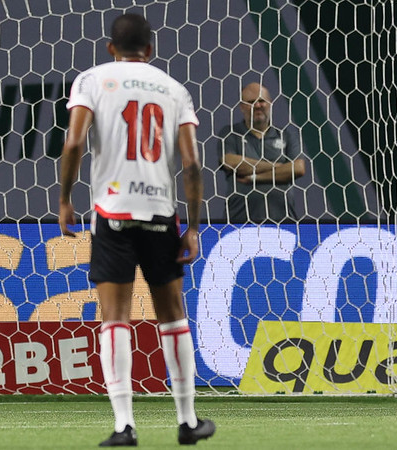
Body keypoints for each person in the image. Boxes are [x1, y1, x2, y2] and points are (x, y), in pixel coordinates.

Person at [58, 13, 216, 447]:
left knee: (115, 319)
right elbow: (191, 164)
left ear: (112, 47)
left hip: (112, 211)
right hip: (160, 213)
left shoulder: (92, 80)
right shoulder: (173, 89)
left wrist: (65, 199)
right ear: (150, 50)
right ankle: (187, 420)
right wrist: (193, 227)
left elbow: (73, 142)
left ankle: (124, 425)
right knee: (172, 316)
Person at [217, 82, 306, 223]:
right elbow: (232, 163)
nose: (257, 105)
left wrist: (253, 178)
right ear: (241, 107)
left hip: (283, 222)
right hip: (239, 223)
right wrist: (279, 167)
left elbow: (298, 168)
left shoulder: (287, 135)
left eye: (261, 101)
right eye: (251, 102)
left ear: (270, 103)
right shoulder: (230, 133)